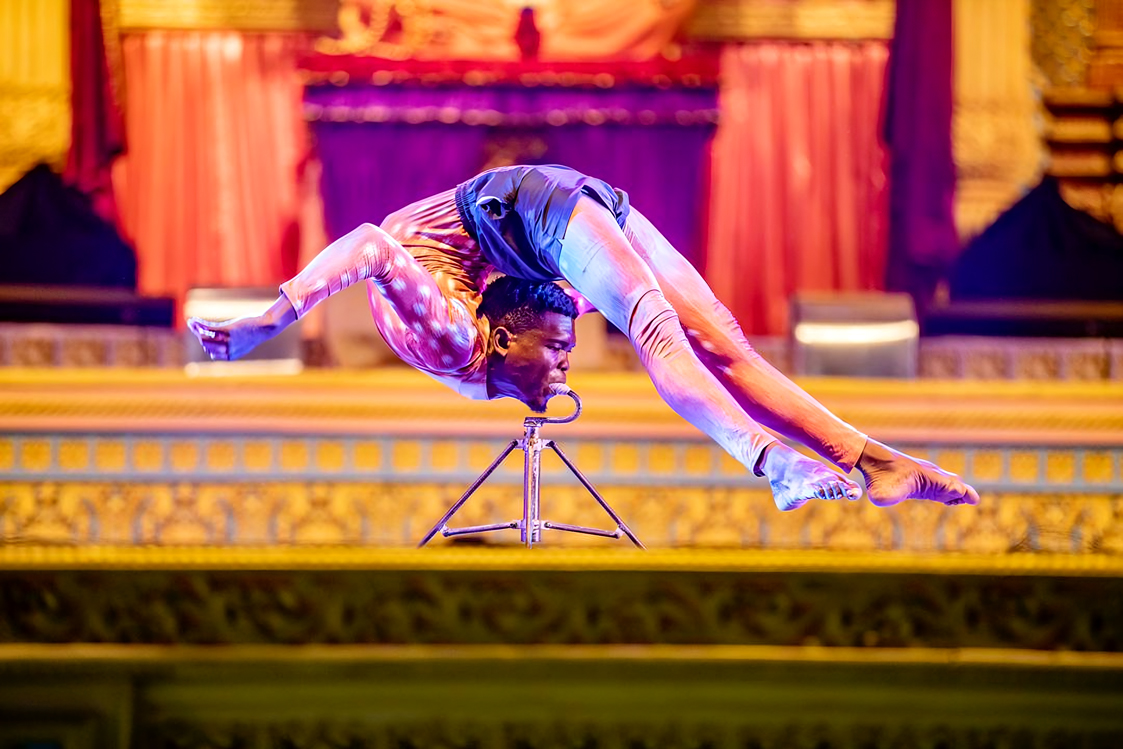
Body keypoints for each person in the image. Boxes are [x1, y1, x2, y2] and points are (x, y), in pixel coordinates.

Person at [189, 164, 979, 512]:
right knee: (716, 342)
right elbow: (549, 309)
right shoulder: (496, 331)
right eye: (563, 347)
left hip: (521, 212)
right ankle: (872, 464)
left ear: (500, 340)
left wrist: (271, 316)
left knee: (667, 331)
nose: (569, 364)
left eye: (561, 349)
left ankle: (778, 464)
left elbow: (366, 242)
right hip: (545, 223)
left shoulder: (454, 339)